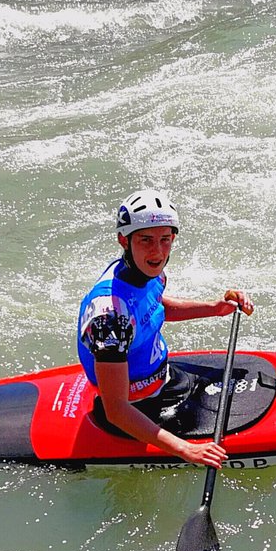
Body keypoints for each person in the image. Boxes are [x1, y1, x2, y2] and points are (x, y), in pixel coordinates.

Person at [77, 189, 254, 468]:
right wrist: (187, 451)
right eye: (146, 240)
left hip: (166, 381)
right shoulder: (109, 320)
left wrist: (213, 308)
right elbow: (116, 411)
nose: (157, 251)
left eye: (165, 240)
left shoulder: (150, 273)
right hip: (137, 410)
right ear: (124, 240)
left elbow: (155, 308)